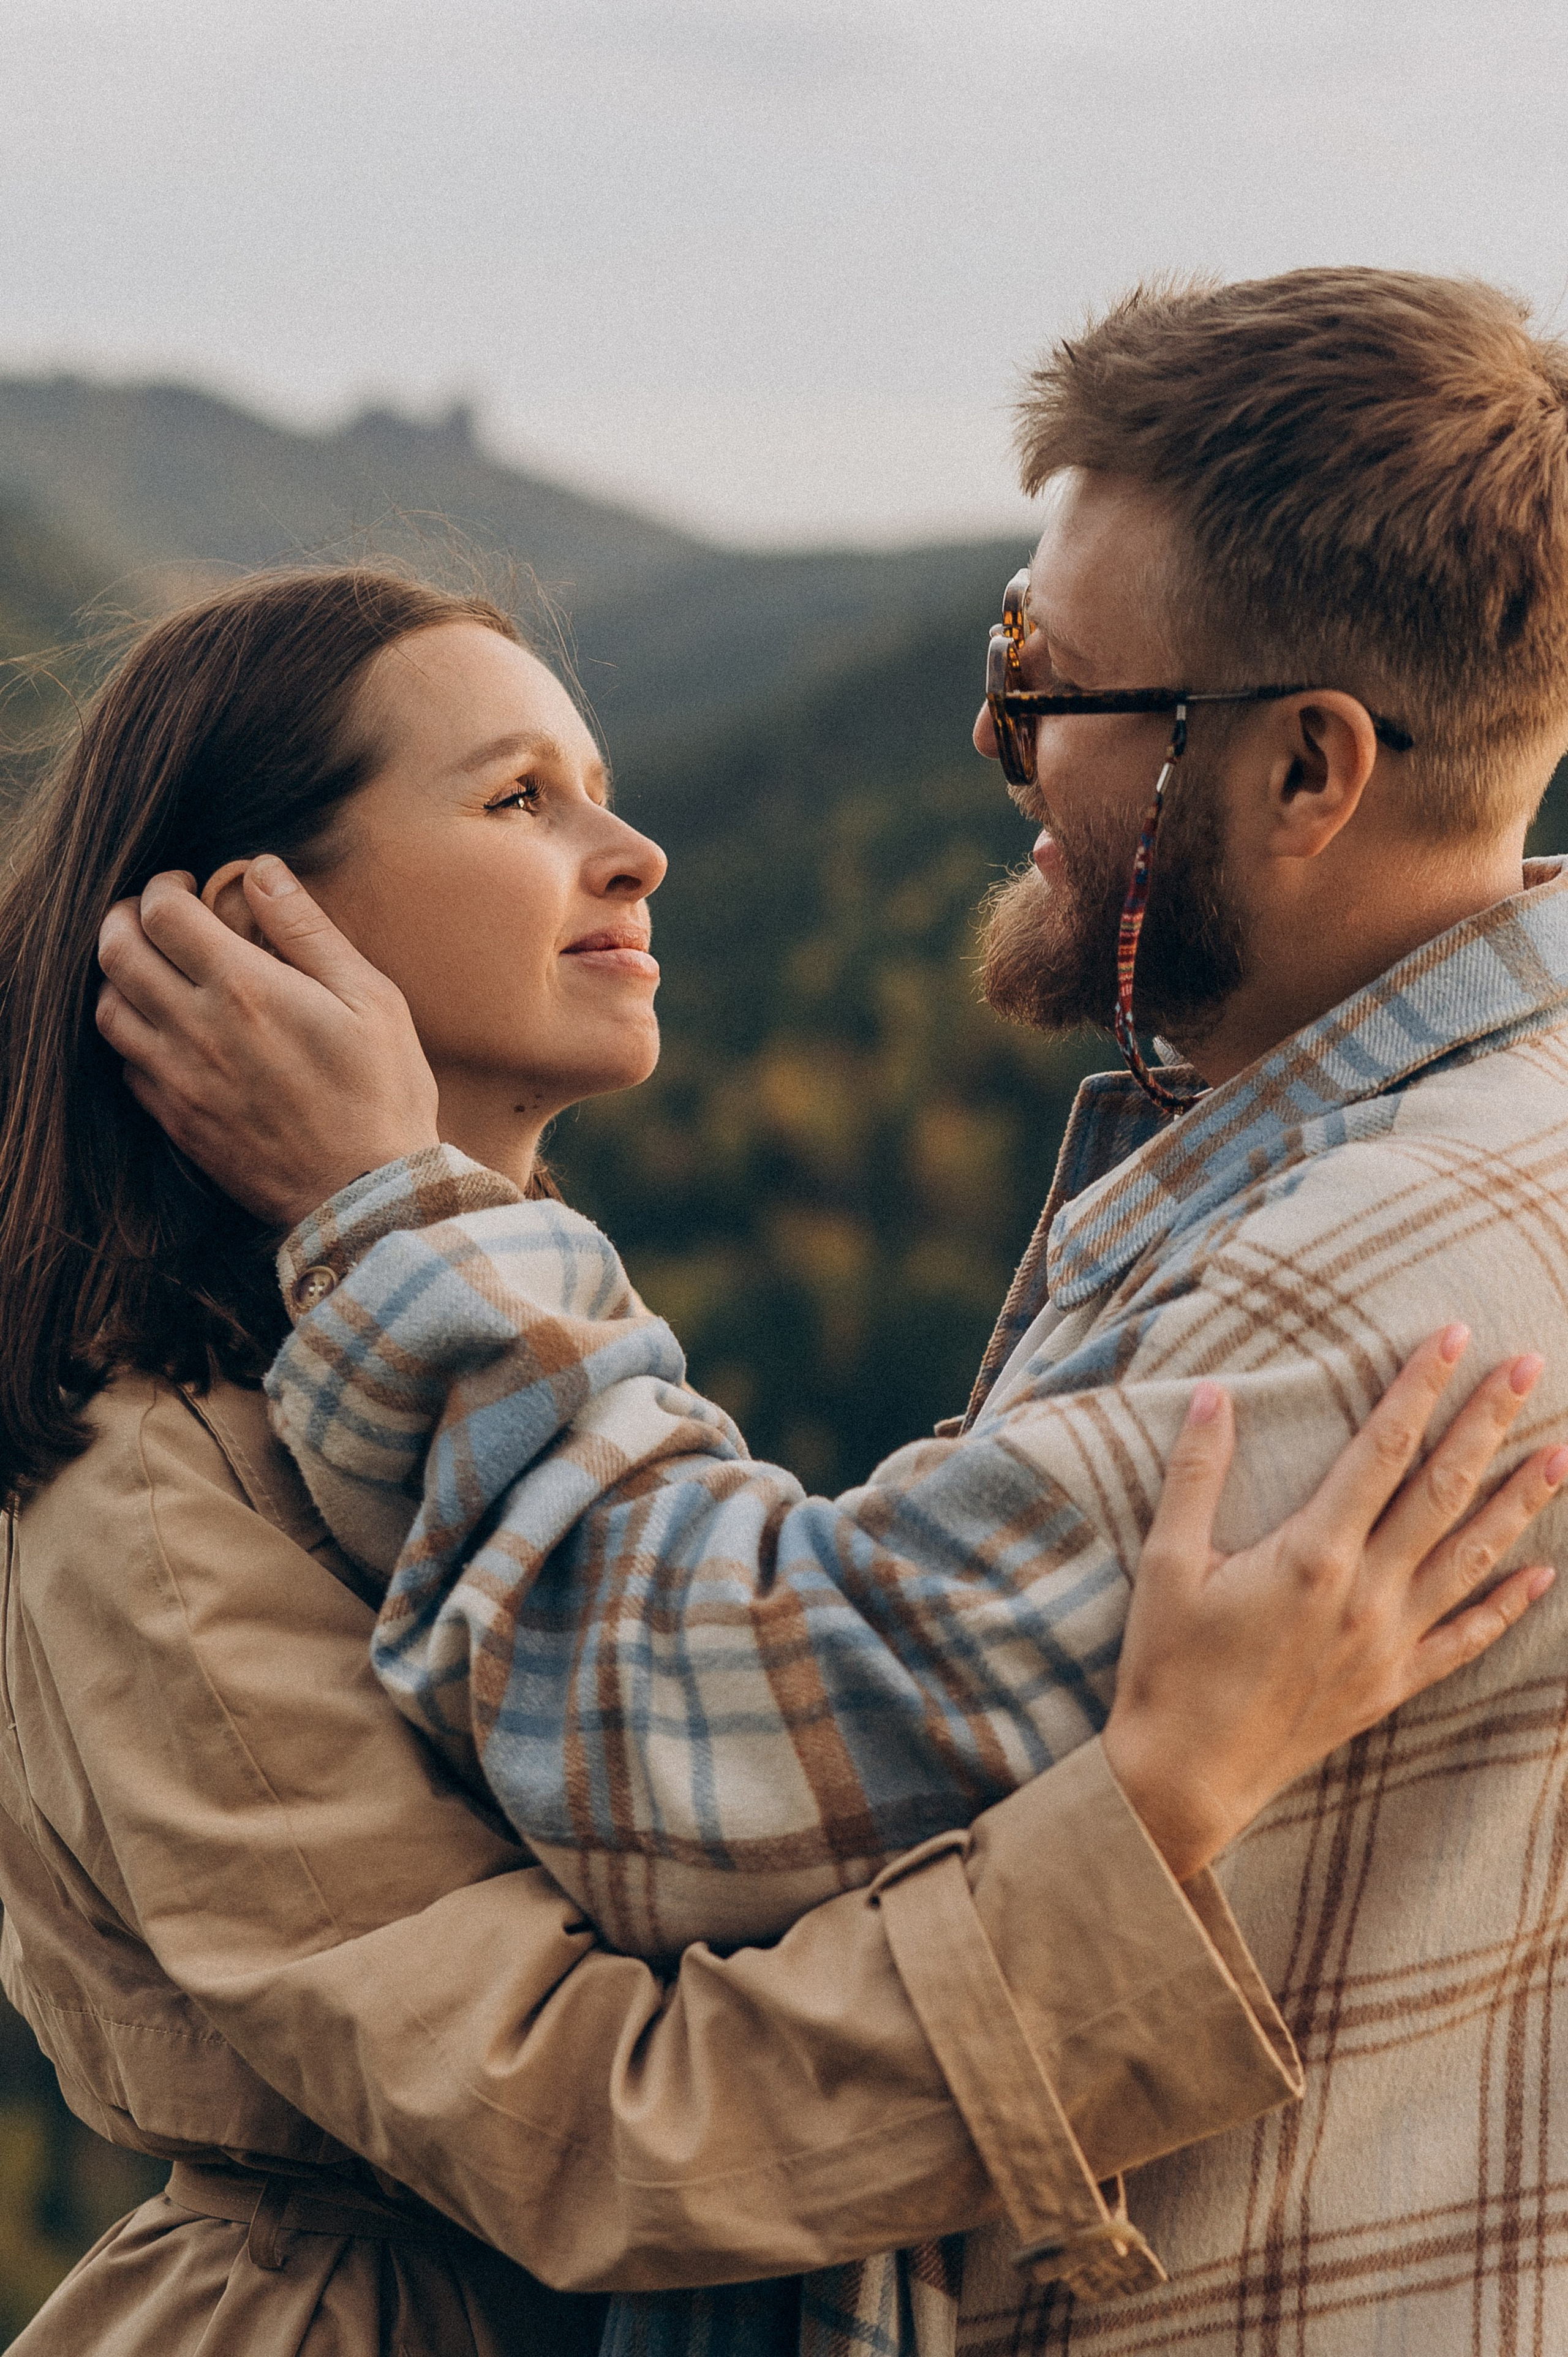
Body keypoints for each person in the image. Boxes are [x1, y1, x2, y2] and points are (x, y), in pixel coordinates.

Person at [95, 267, 1568, 2354]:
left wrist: (382, 1213)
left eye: (1050, 700)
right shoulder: (136, 1486)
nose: (999, 753)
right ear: (259, 916)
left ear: (1308, 769)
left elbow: (708, 1769)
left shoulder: (1386, 1273)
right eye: (522, 800)